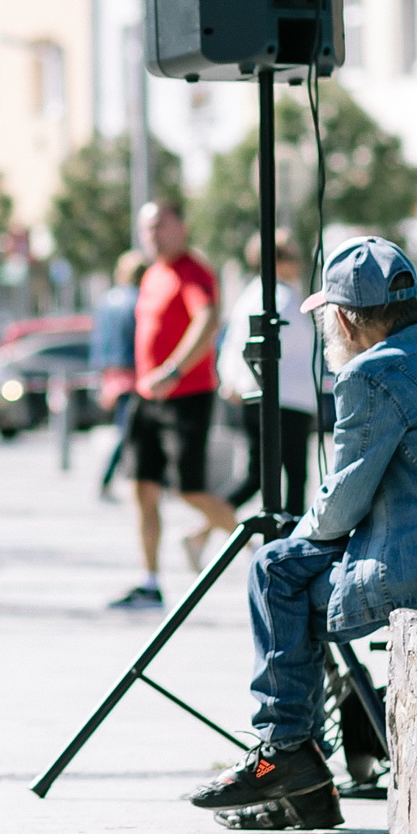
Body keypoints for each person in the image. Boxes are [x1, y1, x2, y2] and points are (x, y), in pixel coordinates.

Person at [189, 238, 417, 830]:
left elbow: (340, 505)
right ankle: (308, 779)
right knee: (296, 561)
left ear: (342, 317)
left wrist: (304, 533)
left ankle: (287, 754)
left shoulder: (374, 371)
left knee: (276, 570)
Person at [109, 200, 235, 609]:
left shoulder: (193, 271)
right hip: (147, 398)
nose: (152, 235)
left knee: (190, 491)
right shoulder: (151, 275)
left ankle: (257, 549)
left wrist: (174, 369)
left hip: (186, 397)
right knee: (141, 489)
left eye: (160, 226)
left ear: (181, 226)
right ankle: (149, 582)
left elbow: (208, 318)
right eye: (147, 228)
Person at [217, 231, 316, 516]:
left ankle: (207, 525)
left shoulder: (252, 295)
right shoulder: (280, 299)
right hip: (283, 399)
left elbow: (231, 344)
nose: (298, 264)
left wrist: (232, 382)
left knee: (259, 477)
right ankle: (291, 545)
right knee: (290, 479)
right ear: (277, 260)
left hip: (265, 395)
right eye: (293, 257)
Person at [91, 250, 146, 497]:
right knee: (130, 430)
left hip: (111, 372)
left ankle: (116, 477)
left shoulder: (106, 301)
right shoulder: (140, 301)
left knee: (127, 428)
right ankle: (108, 478)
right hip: (135, 372)